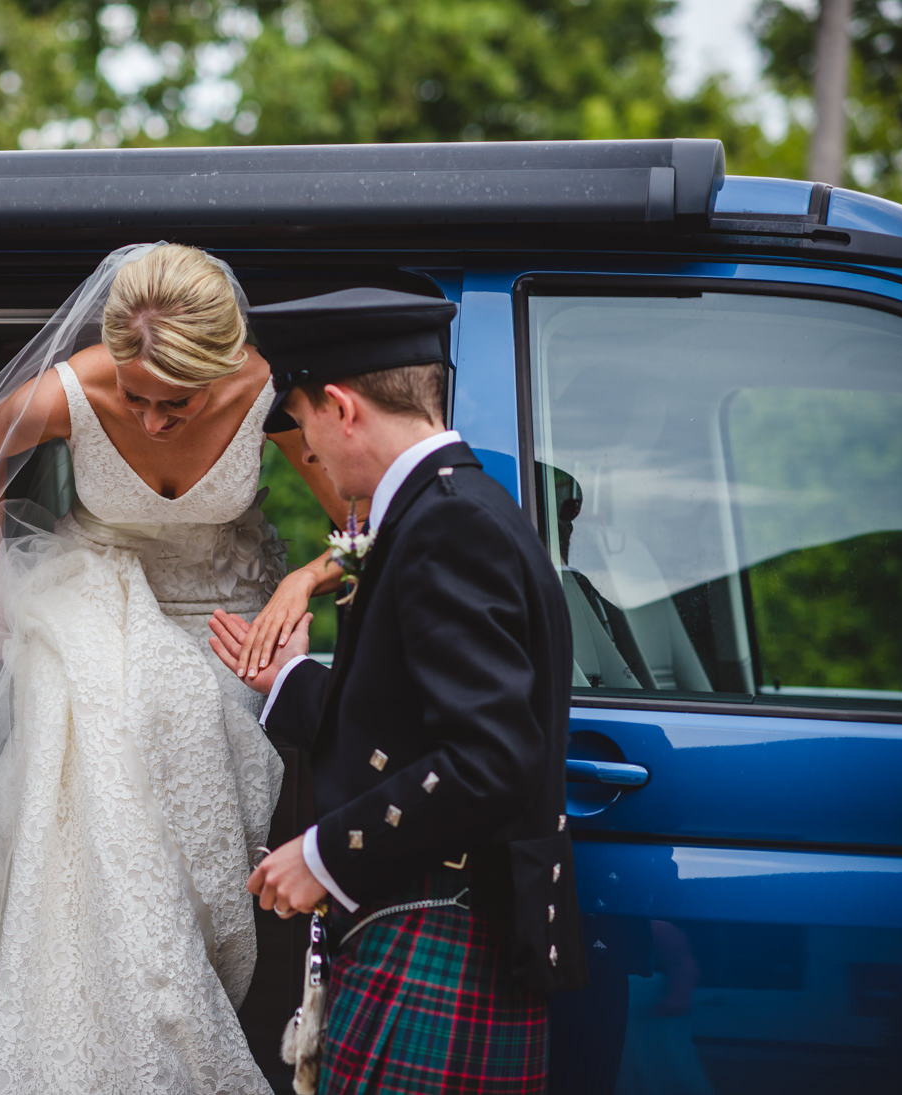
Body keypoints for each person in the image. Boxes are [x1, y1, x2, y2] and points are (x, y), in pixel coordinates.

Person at [0, 243, 350, 1094]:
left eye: (178, 403)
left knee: (192, 727)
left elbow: (358, 518)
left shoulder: (267, 393)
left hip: (222, 624)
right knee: (97, 718)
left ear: (223, 371)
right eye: (136, 398)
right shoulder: (75, 387)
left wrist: (306, 580)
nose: (154, 421)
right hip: (96, 598)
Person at [209, 287, 586, 1094]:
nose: (307, 453)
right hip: (441, 924)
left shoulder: (444, 526)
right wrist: (291, 683)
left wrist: (323, 854)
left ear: (341, 408)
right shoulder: (460, 507)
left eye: (304, 428)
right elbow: (413, 721)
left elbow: (492, 760)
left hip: (437, 924)